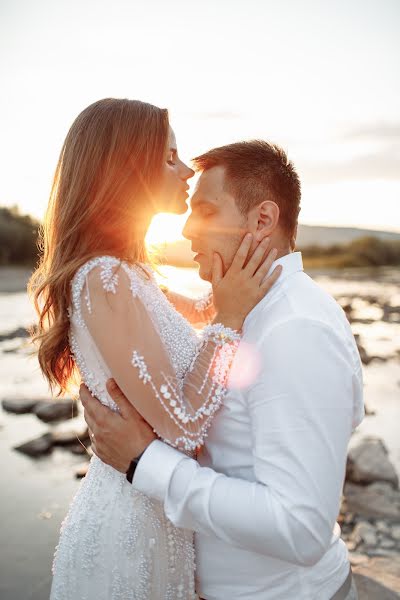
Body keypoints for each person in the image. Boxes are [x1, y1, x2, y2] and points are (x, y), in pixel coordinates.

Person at [82, 140, 364, 599]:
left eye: (207, 212)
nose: (188, 229)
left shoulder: (295, 329)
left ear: (263, 220)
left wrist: (143, 461)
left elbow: (300, 528)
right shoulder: (248, 311)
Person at [28, 98, 281, 600]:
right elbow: (183, 426)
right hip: (129, 527)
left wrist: (249, 252)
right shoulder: (104, 278)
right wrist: (231, 320)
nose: (186, 170)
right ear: (124, 170)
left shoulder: (134, 274)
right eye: (169, 157)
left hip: (158, 510)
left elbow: (207, 308)